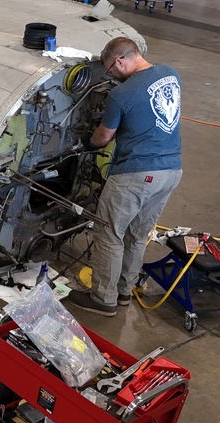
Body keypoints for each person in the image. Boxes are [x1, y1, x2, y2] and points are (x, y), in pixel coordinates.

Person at [67, 37, 183, 317]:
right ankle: (123, 290)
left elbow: (104, 137)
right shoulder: (170, 73)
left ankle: (103, 298)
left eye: (110, 69)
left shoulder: (121, 94)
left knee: (108, 232)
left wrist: (87, 142)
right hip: (171, 170)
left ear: (120, 61)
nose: (110, 75)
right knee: (137, 234)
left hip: (136, 174)